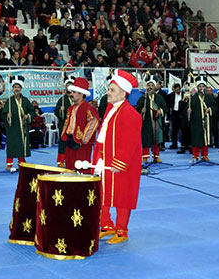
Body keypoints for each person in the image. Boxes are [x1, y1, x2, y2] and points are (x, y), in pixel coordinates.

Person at [94, 70, 142, 244]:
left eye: (112, 90)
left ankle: (122, 231)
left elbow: (129, 142)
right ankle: (106, 225)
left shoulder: (130, 114)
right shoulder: (110, 109)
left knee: (122, 195)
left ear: (123, 93)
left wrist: (119, 162)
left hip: (121, 163)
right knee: (102, 192)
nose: (108, 92)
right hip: (103, 160)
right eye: (109, 89)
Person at [61, 77, 99, 171]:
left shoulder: (88, 108)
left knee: (82, 167)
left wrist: (84, 138)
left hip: (81, 143)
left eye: (74, 92)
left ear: (81, 94)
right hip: (70, 141)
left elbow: (94, 121)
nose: (71, 94)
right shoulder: (71, 108)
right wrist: (64, 134)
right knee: (69, 166)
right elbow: (67, 122)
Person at [3, 75, 33, 172]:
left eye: (18, 87)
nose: (17, 89)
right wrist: (8, 116)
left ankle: (21, 162)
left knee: (21, 144)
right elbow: (2, 115)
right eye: (15, 87)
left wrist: (28, 116)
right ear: (12, 88)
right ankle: (9, 163)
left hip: (23, 127)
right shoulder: (9, 101)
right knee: (12, 144)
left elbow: (33, 111)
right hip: (12, 127)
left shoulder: (25, 100)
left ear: (21, 88)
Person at [135, 75, 167, 163]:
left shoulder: (159, 98)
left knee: (156, 140)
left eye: (152, 85)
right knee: (146, 139)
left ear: (154, 87)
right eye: (148, 85)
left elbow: (165, 107)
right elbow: (136, 109)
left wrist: (160, 111)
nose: (150, 87)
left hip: (156, 122)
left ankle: (156, 156)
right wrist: (141, 111)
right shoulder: (143, 98)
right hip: (146, 122)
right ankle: (145, 157)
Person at [188, 76, 217, 163]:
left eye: (202, 86)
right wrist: (188, 110)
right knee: (196, 138)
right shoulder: (193, 98)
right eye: (199, 86)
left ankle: (205, 155)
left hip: (206, 121)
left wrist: (209, 110)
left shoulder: (208, 97)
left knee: (205, 139)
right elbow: (187, 107)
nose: (201, 88)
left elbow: (215, 106)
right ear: (197, 87)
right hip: (196, 121)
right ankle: (195, 155)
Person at [54, 76, 74, 167]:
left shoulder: (76, 98)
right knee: (63, 141)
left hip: (74, 125)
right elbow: (56, 111)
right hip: (64, 124)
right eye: (68, 85)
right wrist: (61, 110)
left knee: (73, 141)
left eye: (71, 85)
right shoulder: (62, 100)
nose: (69, 87)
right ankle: (61, 160)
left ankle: (72, 159)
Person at [166, 83, 188, 153]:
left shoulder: (185, 94)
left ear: (180, 88)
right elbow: (168, 107)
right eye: (175, 89)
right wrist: (168, 118)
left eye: (178, 89)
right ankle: (174, 144)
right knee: (174, 130)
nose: (176, 90)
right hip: (174, 113)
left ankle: (184, 145)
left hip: (182, 114)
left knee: (183, 130)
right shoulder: (170, 96)